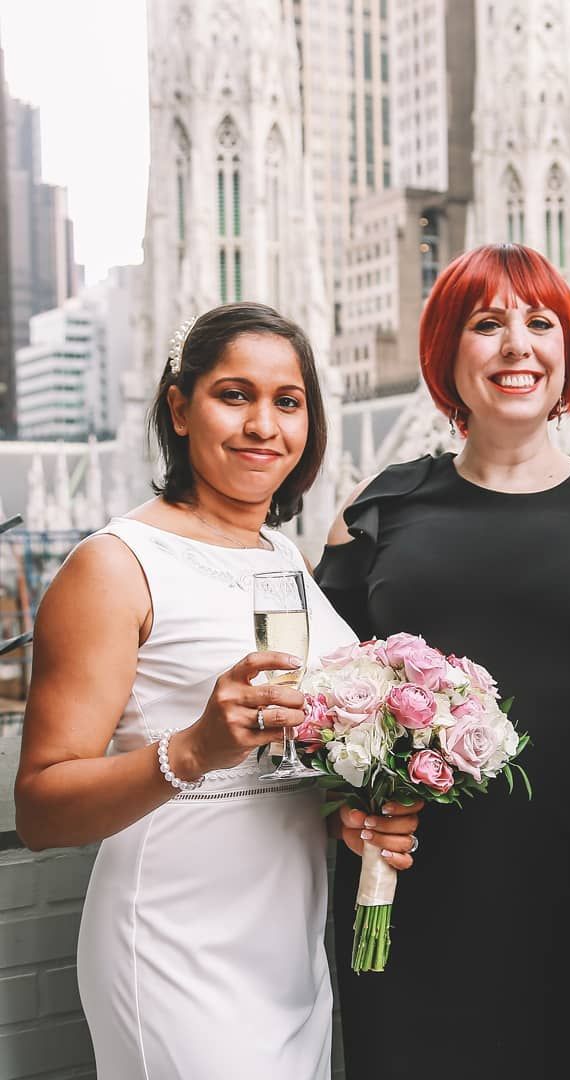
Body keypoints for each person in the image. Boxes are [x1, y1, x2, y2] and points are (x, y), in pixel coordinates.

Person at [316, 242, 570, 1079]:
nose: (516, 345)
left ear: (568, 349)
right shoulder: (376, 511)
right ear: (447, 353)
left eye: (540, 323)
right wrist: (341, 814)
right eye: (486, 324)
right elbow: (313, 720)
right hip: (407, 894)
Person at [14, 302, 419, 1080]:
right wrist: (194, 748)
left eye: (287, 401)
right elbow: (40, 808)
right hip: (171, 945)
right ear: (179, 406)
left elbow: (294, 762)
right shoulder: (113, 564)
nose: (263, 424)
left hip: (288, 946)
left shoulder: (285, 558)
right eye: (234, 395)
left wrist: (355, 817)